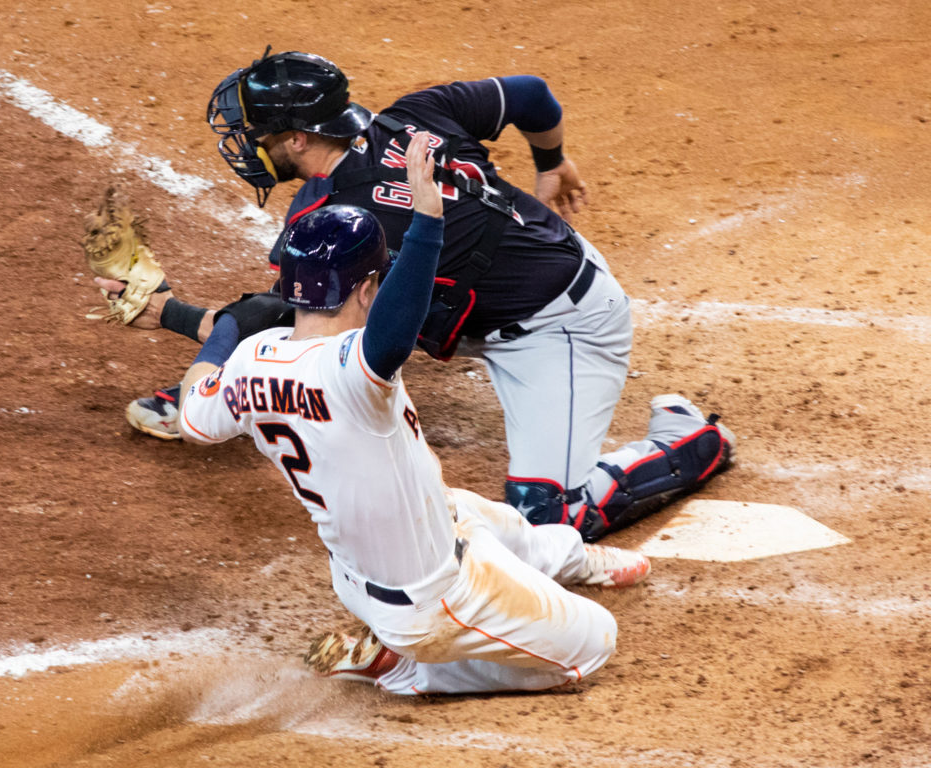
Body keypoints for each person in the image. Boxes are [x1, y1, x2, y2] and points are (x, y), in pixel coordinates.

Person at [106, 49, 736, 542]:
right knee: (340, 321)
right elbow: (532, 95)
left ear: (298, 138)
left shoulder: (334, 212)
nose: (247, 145)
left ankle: (688, 438)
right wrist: (553, 161)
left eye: (259, 133)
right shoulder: (416, 113)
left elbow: (276, 316)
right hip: (522, 273)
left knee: (551, 523)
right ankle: (231, 391)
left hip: (562, 327)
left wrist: (170, 314)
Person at [176, 132, 651, 694]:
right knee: (595, 643)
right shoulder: (351, 367)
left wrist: (229, 327)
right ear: (368, 289)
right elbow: (393, 332)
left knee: (484, 517)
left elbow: (192, 413)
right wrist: (427, 217)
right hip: (431, 600)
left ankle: (573, 560)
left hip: (365, 571)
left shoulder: (253, 358)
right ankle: (405, 670)